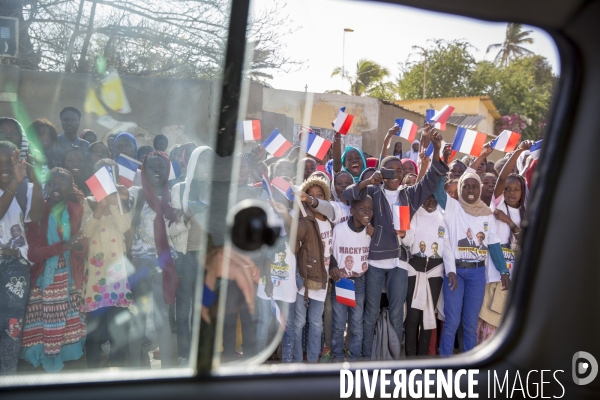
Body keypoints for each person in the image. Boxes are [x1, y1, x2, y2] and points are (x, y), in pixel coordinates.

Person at [342, 126, 448, 360]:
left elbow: (431, 180)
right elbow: (347, 195)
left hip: (400, 261)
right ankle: (367, 358)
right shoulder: (372, 192)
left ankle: (390, 358)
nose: (397, 174)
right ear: (382, 172)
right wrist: (367, 181)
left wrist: (437, 148)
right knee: (370, 313)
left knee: (396, 314)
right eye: (391, 171)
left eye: (400, 170)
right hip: (376, 260)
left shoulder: (409, 194)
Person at [433, 168, 509, 356]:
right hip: (455, 272)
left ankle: (469, 366)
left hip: (477, 274)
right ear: (460, 188)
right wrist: (442, 164)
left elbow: (493, 243)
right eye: (466, 186)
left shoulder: (487, 214)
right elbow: (437, 190)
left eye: (475, 186)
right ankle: (445, 364)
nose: (470, 190)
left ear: (480, 188)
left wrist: (504, 271)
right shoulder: (452, 207)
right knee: (451, 322)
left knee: (470, 325)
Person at [21, 167, 88, 372]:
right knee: (47, 323)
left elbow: (82, 249)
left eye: (62, 183)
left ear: (70, 187)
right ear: (46, 187)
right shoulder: (39, 212)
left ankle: (65, 357)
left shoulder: (76, 210)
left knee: (67, 322)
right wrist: (63, 245)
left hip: (69, 277)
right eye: (52, 183)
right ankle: (46, 360)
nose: (56, 187)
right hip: (46, 279)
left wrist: (77, 246)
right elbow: (33, 254)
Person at [128, 151, 180, 368]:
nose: (157, 171)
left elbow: (179, 230)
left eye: (161, 166)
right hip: (140, 263)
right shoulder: (136, 193)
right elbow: (126, 223)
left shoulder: (174, 195)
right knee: (138, 317)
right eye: (152, 167)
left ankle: (167, 370)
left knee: (162, 319)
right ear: (143, 170)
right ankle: (136, 369)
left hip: (164, 264)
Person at [477, 141, 532, 343]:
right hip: (493, 274)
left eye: (516, 189)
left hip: (515, 279)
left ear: (522, 192)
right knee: (488, 326)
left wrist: (509, 222)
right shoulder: (496, 204)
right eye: (507, 189)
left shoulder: (526, 213)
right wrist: (517, 153)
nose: (511, 193)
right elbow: (501, 178)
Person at [82, 159, 132, 368]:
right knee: (93, 334)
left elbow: (124, 226)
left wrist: (116, 202)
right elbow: (85, 232)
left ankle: (117, 379)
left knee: (118, 332)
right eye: (99, 175)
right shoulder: (87, 201)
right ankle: (93, 378)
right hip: (94, 276)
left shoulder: (121, 201)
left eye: (109, 175)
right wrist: (99, 208)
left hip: (117, 276)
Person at [0, 142, 43, 375]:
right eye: (0, 162)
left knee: (11, 327)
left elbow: (35, 216)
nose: (5, 167)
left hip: (16, 266)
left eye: (11, 161)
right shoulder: (15, 185)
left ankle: (7, 379)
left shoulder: (24, 189)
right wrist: (14, 183)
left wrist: (34, 180)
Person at [291, 176, 333, 363]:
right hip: (304, 277)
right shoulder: (305, 221)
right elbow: (295, 245)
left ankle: (314, 361)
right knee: (299, 322)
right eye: (310, 195)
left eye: (319, 195)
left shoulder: (331, 221)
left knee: (316, 322)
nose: (314, 198)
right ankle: (298, 360)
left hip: (322, 280)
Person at [328, 196, 373, 361]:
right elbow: (330, 252)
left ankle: (355, 358)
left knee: (356, 325)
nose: (367, 212)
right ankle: (338, 356)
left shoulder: (370, 231)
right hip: (342, 281)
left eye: (370, 209)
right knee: (339, 323)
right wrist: (333, 267)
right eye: (362, 208)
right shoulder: (339, 230)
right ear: (352, 211)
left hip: (359, 281)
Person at [404, 195, 447, 356]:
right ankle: (410, 358)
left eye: (434, 198)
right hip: (414, 268)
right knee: (413, 316)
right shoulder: (415, 214)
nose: (430, 202)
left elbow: (447, 244)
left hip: (435, 270)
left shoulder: (444, 215)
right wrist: (403, 234)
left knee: (428, 315)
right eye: (426, 198)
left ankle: (422, 358)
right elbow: (408, 241)